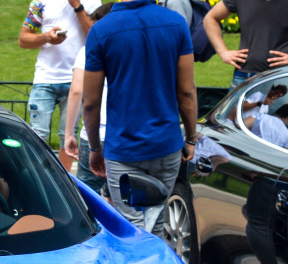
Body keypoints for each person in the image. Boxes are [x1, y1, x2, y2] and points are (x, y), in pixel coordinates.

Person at [82, 0, 196, 239]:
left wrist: (94, 147)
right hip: (166, 143)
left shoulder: (101, 30)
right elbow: (186, 91)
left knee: (130, 228)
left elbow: (90, 101)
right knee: (156, 222)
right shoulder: (176, 23)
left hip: (123, 147)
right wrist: (191, 137)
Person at [18, 0, 99, 168]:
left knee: (68, 136)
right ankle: (37, 178)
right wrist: (46, 37)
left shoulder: (93, 2)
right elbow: (23, 39)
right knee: (37, 135)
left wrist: (77, 6)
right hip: (45, 77)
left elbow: (95, 35)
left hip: (75, 77)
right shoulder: (40, 2)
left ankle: (64, 183)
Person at [202, 0, 288, 87]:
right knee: (233, 127)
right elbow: (210, 18)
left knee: (272, 130)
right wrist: (223, 52)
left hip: (278, 78)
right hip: (243, 76)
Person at [62, 2, 113, 195]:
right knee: (122, 196)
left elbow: (76, 91)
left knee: (86, 195)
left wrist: (68, 133)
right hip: (124, 135)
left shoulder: (88, 51)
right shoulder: (129, 51)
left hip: (94, 135)